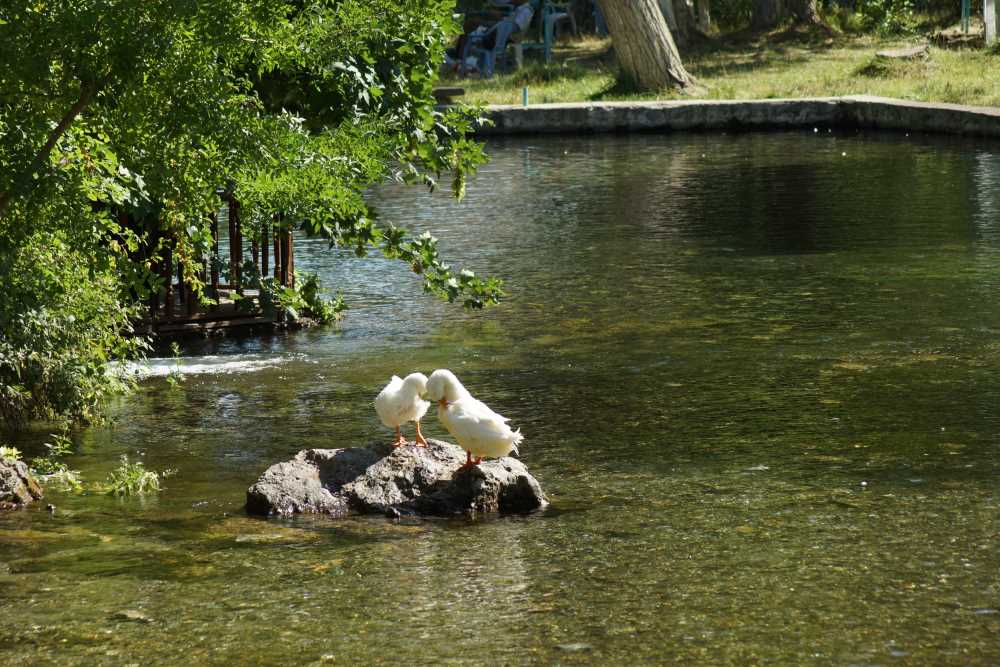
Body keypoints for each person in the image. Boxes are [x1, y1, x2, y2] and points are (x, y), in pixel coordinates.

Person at [455, 0, 535, 77]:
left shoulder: (526, 11)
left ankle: (459, 59)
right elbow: (506, 25)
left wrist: (497, 21)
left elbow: (511, 28)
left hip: (497, 38)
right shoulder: (519, 9)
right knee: (470, 24)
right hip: (496, 34)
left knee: (470, 25)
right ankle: (460, 59)